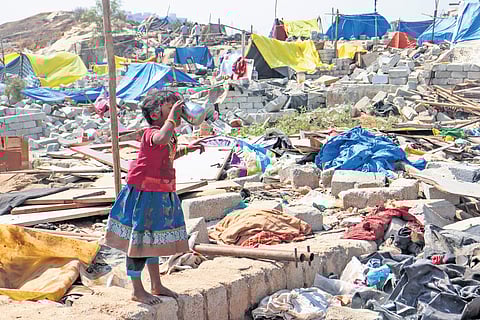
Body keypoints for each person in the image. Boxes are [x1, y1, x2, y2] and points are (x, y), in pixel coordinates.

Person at [104, 89, 205, 305]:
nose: (176, 113)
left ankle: (156, 284)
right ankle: (137, 289)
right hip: (144, 194)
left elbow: (167, 153)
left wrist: (188, 149)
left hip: (160, 192)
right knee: (138, 241)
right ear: (156, 114)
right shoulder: (151, 133)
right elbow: (160, 140)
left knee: (153, 240)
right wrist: (171, 120)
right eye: (170, 108)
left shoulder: (168, 135)